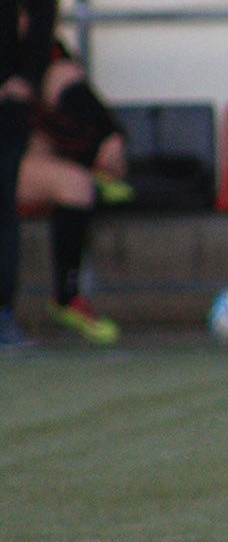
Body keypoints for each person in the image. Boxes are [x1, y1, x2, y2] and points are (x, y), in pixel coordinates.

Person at [18, 38, 127, 345]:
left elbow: (59, 79)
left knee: (76, 184)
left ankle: (66, 298)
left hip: (22, 153)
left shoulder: (37, 42)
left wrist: (109, 135)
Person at [1, 0, 60, 349]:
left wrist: (27, 76)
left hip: (5, 100)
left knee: (2, 205)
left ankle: (1, 313)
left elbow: (43, 5)